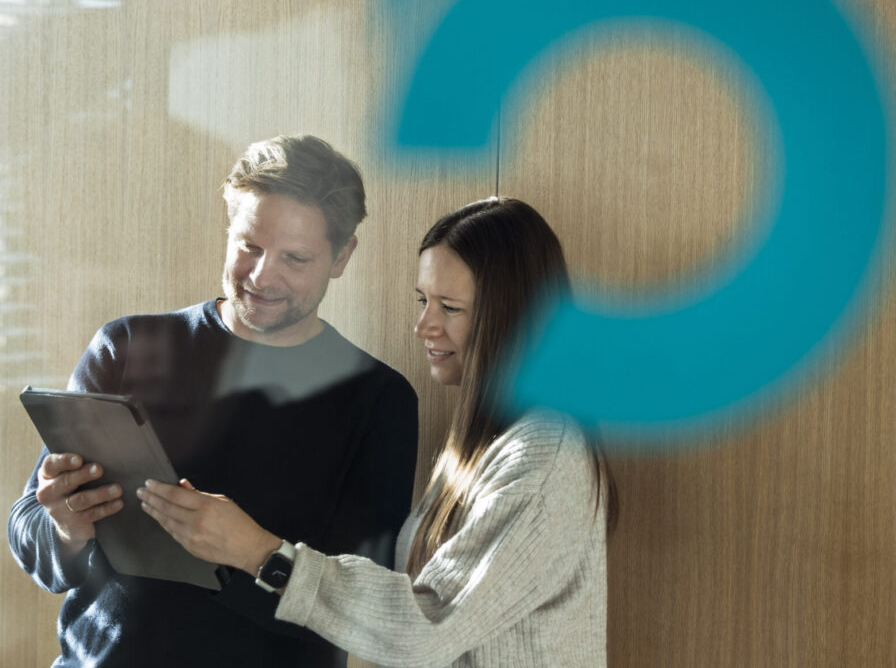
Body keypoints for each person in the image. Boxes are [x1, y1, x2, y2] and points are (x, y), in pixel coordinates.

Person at [139, 197, 617, 667]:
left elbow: (424, 629)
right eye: (423, 300)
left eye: (450, 307)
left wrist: (261, 553)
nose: (423, 326)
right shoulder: (489, 445)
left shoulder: (544, 457)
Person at [7, 134, 419, 667]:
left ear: (342, 256)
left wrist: (252, 553)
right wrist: (64, 526)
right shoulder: (125, 347)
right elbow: (29, 530)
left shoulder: (379, 401)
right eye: (249, 246)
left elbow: (365, 611)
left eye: (295, 258)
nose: (262, 276)